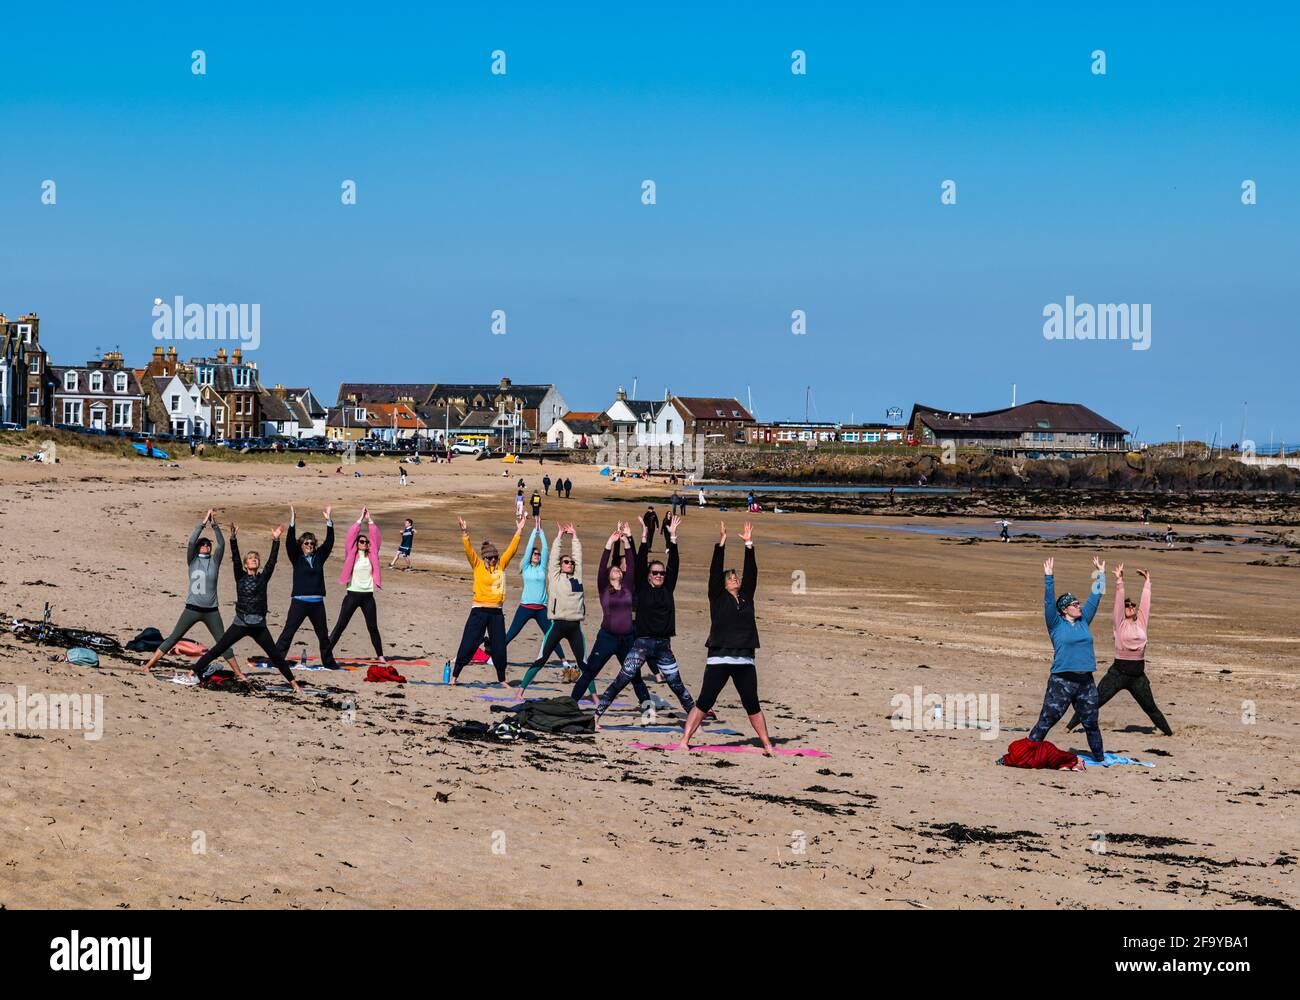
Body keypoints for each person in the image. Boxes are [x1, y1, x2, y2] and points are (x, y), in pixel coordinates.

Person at [593, 514, 697, 728]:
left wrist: (673, 538)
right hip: (641, 644)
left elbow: (674, 564)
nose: (659, 575)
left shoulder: (668, 588)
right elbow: (637, 565)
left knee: (676, 685)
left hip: (663, 645)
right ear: (649, 575)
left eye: (661, 573)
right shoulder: (640, 588)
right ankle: (596, 715)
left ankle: (696, 719)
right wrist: (633, 539)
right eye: (655, 573)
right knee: (623, 679)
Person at [678, 521, 774, 753]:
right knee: (704, 701)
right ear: (723, 584)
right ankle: (684, 741)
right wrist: (720, 544)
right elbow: (714, 572)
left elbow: (752, 572)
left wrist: (748, 544)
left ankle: (767, 744)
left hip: (744, 659)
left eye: (736, 577)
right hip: (719, 658)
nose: (734, 579)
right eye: (730, 578)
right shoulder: (717, 598)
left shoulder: (747, 597)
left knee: (752, 704)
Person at [189, 523, 301, 693]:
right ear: (246, 564)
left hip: (259, 626)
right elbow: (235, 558)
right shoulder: (240, 576)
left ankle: (294, 683)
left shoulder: (263, 578)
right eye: (250, 558)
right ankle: (193, 671)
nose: (254, 559)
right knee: (219, 648)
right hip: (240, 623)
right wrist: (233, 538)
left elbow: (272, 561)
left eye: (256, 558)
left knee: (276, 656)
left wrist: (276, 540)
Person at [1066, 565, 1171, 736]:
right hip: (1118, 674)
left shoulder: (1141, 623)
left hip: (1138, 676)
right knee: (1095, 702)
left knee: (1150, 707)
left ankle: (1169, 733)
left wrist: (1147, 582)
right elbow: (1118, 603)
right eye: (1127, 605)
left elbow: (1146, 605)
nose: (1131, 607)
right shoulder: (1119, 624)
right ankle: (1069, 727)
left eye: (1132, 605)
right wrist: (1119, 581)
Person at [140, 509, 243, 678]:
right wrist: (203, 523)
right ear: (198, 548)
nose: (206, 546)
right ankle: (149, 665)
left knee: (223, 642)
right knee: (174, 637)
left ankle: (239, 673)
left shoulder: (214, 561)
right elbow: (191, 542)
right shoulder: (193, 560)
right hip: (192, 609)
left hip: (211, 611)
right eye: (203, 544)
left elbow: (222, 544)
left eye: (208, 545)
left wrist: (214, 524)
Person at [570, 522, 658, 707]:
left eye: (619, 569)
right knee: (590, 672)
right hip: (607, 638)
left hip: (627, 639)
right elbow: (603, 566)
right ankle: (570, 703)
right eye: (615, 570)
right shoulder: (604, 588)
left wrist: (626, 540)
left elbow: (631, 563)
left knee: (635, 675)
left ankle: (648, 710)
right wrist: (609, 542)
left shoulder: (627, 586)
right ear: (609, 576)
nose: (618, 570)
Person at [1030, 557, 1105, 762]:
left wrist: (1100, 574)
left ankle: (1100, 759)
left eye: (1078, 603)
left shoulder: (1084, 621)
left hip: (1085, 682)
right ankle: (1027, 753)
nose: (1079, 605)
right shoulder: (1055, 624)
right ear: (1064, 609)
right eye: (1074, 604)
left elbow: (1095, 598)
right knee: (1047, 720)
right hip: (1061, 681)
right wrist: (1049, 577)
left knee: (1091, 723)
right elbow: (1048, 601)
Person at [451, 513, 526, 685]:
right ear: (484, 558)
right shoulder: (477, 565)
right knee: (469, 642)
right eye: (490, 558)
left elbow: (511, 550)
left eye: (495, 557)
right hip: (478, 610)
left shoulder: (501, 564)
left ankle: (502, 679)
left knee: (499, 647)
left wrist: (519, 530)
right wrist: (464, 532)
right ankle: (455, 676)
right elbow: (468, 550)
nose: (494, 560)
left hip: (496, 613)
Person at [518, 522, 587, 694]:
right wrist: (559, 537)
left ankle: (594, 697)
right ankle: (520, 690)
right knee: (541, 659)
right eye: (566, 562)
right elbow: (554, 556)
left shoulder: (577, 577)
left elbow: (578, 557)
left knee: (584, 664)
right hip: (557, 625)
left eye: (571, 562)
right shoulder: (555, 576)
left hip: (575, 626)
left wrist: (575, 537)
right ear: (561, 565)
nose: (570, 564)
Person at [273, 505, 340, 670]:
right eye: (306, 543)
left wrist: (329, 521)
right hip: (299, 602)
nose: (309, 545)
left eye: (311, 543)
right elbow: (289, 542)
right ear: (301, 545)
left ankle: (329, 662)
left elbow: (329, 543)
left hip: (317, 603)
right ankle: (277, 659)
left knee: (323, 636)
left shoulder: (319, 557)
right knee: (288, 632)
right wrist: (293, 522)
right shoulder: (296, 557)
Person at [328, 507, 386, 662]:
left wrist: (370, 520)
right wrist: (360, 519)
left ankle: (380, 655)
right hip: (352, 594)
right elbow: (350, 536)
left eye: (366, 542)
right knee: (341, 625)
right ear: (357, 543)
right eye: (361, 541)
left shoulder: (372, 554)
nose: (365, 543)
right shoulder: (351, 553)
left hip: (368, 596)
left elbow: (376, 538)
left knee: (372, 627)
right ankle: (327, 651)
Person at [504, 518, 552, 652]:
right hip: (525, 607)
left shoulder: (542, 568)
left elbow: (546, 548)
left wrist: (540, 530)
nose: (537, 555)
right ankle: (493, 656)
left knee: (551, 635)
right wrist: (533, 532)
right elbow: (529, 548)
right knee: (512, 633)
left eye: (538, 554)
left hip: (541, 608)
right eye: (534, 554)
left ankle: (564, 661)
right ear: (530, 557)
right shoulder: (526, 567)